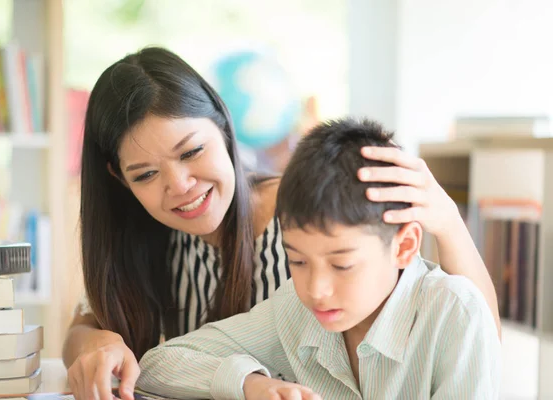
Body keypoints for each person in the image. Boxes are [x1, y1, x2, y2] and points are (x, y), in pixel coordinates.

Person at [62, 47, 501, 400]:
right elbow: (112, 333)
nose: (179, 185)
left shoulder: (308, 218)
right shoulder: (146, 240)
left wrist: (447, 222)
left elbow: (473, 338)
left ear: (224, 127)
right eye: (146, 174)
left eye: (192, 151)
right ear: (120, 180)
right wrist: (92, 341)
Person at [137, 118, 502, 400]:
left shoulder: (454, 313)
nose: (316, 289)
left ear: (404, 247)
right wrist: (249, 383)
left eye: (342, 265)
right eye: (297, 261)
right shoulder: (294, 310)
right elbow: (158, 365)